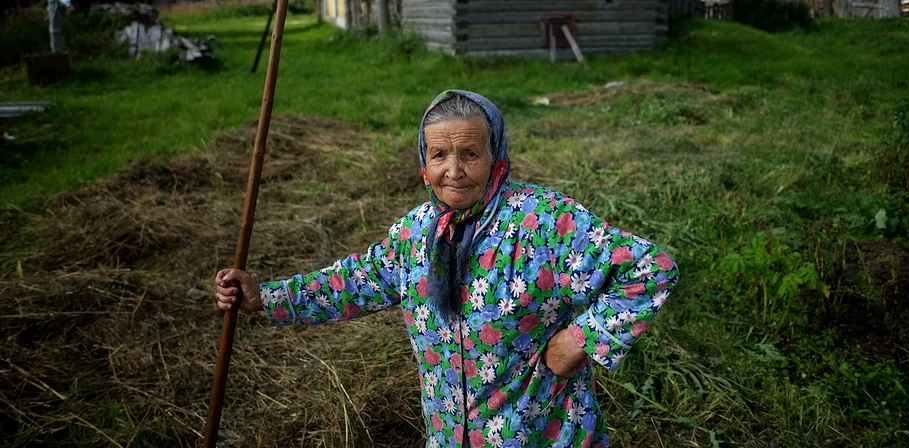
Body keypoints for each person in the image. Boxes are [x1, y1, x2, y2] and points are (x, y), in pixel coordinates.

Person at [216, 90, 679, 448]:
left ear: (494, 156)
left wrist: (576, 342)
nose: (453, 170)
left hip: (542, 434)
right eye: (439, 155)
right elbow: (355, 282)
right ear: (424, 163)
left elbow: (650, 269)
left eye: (469, 154)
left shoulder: (543, 224)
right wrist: (267, 297)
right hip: (449, 435)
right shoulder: (417, 233)